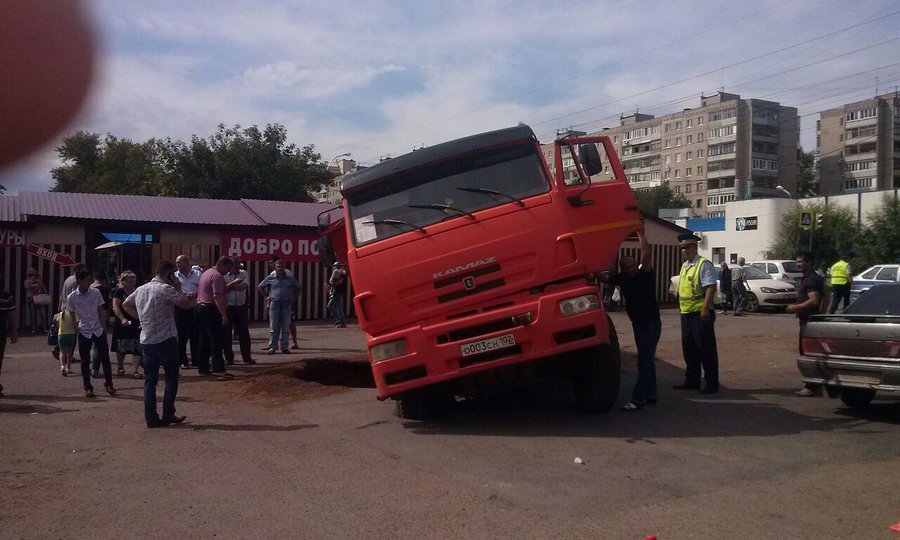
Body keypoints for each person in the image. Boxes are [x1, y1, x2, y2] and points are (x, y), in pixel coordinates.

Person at [123, 261, 195, 428]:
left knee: (150, 381)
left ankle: (151, 417)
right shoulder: (166, 289)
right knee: (171, 378)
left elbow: (126, 304)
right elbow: (184, 305)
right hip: (166, 338)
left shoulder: (141, 289)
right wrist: (178, 288)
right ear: (169, 274)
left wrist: (141, 317)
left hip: (147, 339)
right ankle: (168, 412)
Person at [600, 230, 661, 411]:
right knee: (647, 359)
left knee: (644, 361)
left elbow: (647, 254)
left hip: (651, 323)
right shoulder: (623, 278)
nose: (632, 269)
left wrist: (640, 233)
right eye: (628, 267)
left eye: (633, 266)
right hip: (639, 324)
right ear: (623, 268)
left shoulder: (645, 274)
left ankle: (638, 399)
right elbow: (604, 277)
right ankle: (651, 394)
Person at [674, 232, 720, 394]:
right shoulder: (686, 265)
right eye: (682, 248)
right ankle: (692, 380)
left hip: (700, 313)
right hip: (686, 313)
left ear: (694, 247)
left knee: (705, 349)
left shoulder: (704, 264)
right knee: (689, 349)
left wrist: (705, 308)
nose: (684, 250)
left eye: (686, 247)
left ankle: (711, 383)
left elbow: (710, 287)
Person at [67, 269, 117, 397]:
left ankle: (109, 383)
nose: (90, 282)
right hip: (84, 329)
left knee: (105, 357)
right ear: (80, 281)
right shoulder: (72, 297)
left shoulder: (95, 292)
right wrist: (76, 328)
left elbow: (101, 309)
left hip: (97, 328)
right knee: (85, 360)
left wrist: (103, 325)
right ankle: (87, 386)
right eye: (88, 280)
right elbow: (72, 314)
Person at [787, 251, 825, 397]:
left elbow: (814, 300)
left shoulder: (811, 279)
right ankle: (815, 384)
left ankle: (812, 386)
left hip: (809, 322)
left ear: (809, 263)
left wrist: (795, 307)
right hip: (810, 320)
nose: (798, 264)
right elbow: (825, 295)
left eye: (801, 262)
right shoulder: (812, 277)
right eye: (797, 262)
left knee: (807, 354)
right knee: (809, 353)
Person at [196, 256, 234, 377]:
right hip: (210, 309)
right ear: (222, 264)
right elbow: (217, 296)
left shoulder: (207, 273)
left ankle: (203, 367)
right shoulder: (217, 276)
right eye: (227, 268)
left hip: (200, 307)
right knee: (216, 339)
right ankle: (218, 368)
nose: (228, 271)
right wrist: (223, 315)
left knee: (204, 339)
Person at [258, 259, 299, 354]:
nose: (280, 268)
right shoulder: (271, 277)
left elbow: (298, 287)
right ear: (275, 268)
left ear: (285, 267)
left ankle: (284, 347)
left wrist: (294, 298)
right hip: (275, 304)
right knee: (273, 326)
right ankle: (272, 347)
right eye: (278, 267)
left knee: (285, 326)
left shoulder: (290, 278)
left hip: (286, 304)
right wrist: (267, 297)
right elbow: (260, 286)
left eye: (282, 267)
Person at [110, 271, 142, 378]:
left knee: (137, 346)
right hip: (122, 322)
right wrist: (122, 318)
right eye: (129, 281)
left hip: (136, 321)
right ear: (124, 282)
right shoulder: (119, 292)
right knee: (121, 346)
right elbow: (115, 306)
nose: (132, 283)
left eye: (133, 281)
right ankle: (120, 366)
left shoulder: (137, 291)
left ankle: (135, 370)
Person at [224, 257, 254, 365]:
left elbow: (243, 286)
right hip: (228, 307)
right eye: (234, 264)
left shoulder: (243, 273)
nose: (236, 266)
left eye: (238, 263)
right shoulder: (224, 275)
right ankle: (229, 358)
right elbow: (223, 289)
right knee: (227, 334)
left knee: (244, 333)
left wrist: (230, 286)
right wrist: (233, 285)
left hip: (241, 307)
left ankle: (246, 357)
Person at [174, 255, 201, 370]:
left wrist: (196, 294)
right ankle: (182, 361)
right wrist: (182, 295)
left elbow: (203, 288)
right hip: (180, 308)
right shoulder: (174, 276)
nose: (177, 265)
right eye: (176, 263)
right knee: (181, 336)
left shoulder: (198, 274)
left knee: (195, 335)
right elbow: (170, 290)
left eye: (179, 262)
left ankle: (196, 359)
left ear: (186, 263)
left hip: (194, 307)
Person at [0, 272, 19, 398]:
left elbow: (12, 315)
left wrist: (14, 331)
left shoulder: (6, 296)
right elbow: (11, 315)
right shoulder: (6, 295)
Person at [23, 268, 49, 333]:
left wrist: (39, 280)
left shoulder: (39, 281)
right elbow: (28, 287)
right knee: (33, 314)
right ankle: (33, 328)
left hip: (40, 298)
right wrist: (32, 280)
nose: (33, 275)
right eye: (31, 274)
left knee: (43, 314)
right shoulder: (26, 281)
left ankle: (44, 328)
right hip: (32, 299)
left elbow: (43, 287)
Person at [54, 309, 77, 376]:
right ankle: (68, 368)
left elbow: (55, 321)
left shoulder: (60, 314)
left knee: (62, 352)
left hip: (61, 335)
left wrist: (56, 328)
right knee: (70, 353)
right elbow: (76, 323)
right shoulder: (73, 314)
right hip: (71, 334)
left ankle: (62, 366)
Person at [327, 261, 348, 328]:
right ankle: (339, 319)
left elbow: (337, 282)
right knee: (330, 306)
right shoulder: (341, 272)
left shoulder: (339, 272)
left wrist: (332, 284)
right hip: (336, 291)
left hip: (337, 291)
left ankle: (342, 322)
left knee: (339, 308)